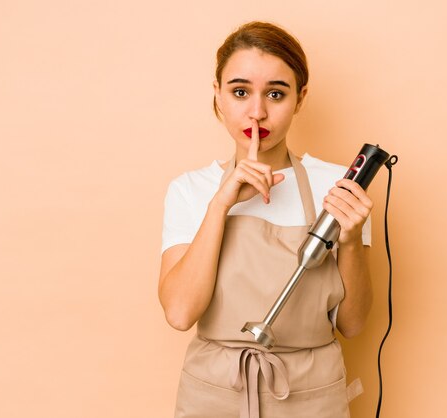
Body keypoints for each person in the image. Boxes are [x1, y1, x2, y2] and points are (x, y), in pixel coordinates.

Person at [158, 21, 373, 418]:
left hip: (311, 394)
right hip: (215, 392)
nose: (257, 112)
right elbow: (180, 313)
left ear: (300, 98)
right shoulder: (191, 190)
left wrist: (350, 239)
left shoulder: (339, 186)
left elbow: (353, 323)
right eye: (240, 92)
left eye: (276, 93)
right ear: (218, 97)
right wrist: (220, 205)